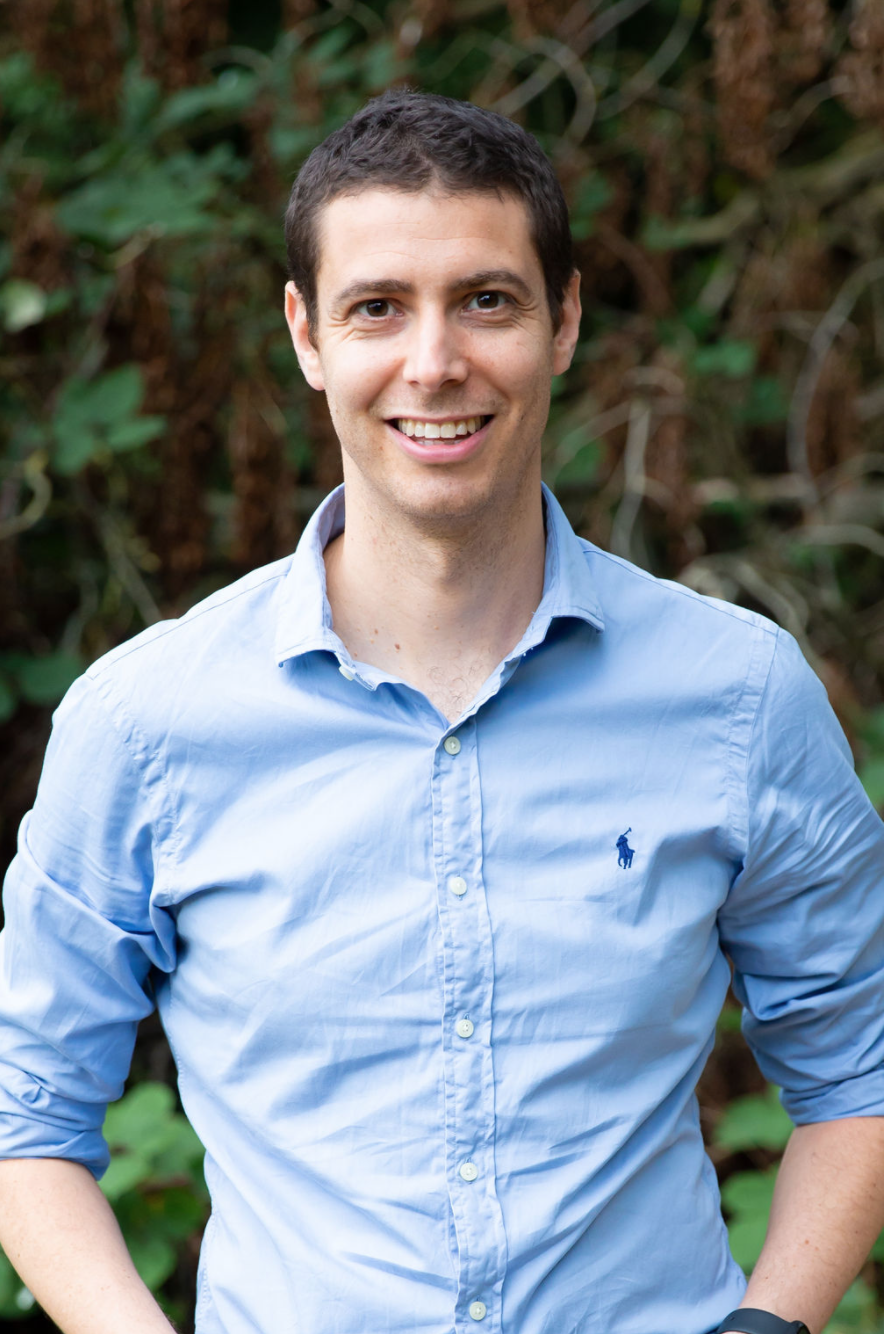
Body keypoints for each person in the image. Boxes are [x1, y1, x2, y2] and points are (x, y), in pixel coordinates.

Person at [0, 89, 883, 1334]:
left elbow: (861, 1072)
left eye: (485, 300)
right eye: (377, 307)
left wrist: (767, 1322)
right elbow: (23, 1115)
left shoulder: (737, 696)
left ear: (562, 319)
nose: (432, 363)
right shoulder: (143, 722)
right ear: (306, 335)